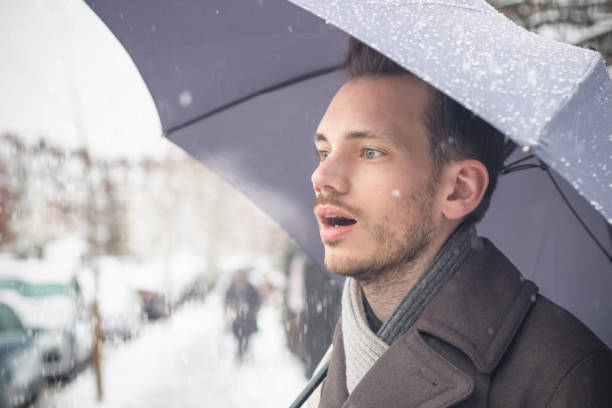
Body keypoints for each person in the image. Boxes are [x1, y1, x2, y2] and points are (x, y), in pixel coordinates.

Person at [305, 37, 612, 407]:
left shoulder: (564, 377)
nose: (322, 176)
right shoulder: (345, 349)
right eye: (324, 151)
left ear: (459, 190)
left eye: (371, 152)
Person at [224, 268, 261, 362]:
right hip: (237, 319)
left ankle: (245, 351)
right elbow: (227, 301)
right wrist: (232, 308)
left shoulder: (251, 288)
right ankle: (240, 352)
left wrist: (253, 310)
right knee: (238, 337)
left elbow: (257, 300)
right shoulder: (232, 288)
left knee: (247, 336)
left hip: (248, 318)